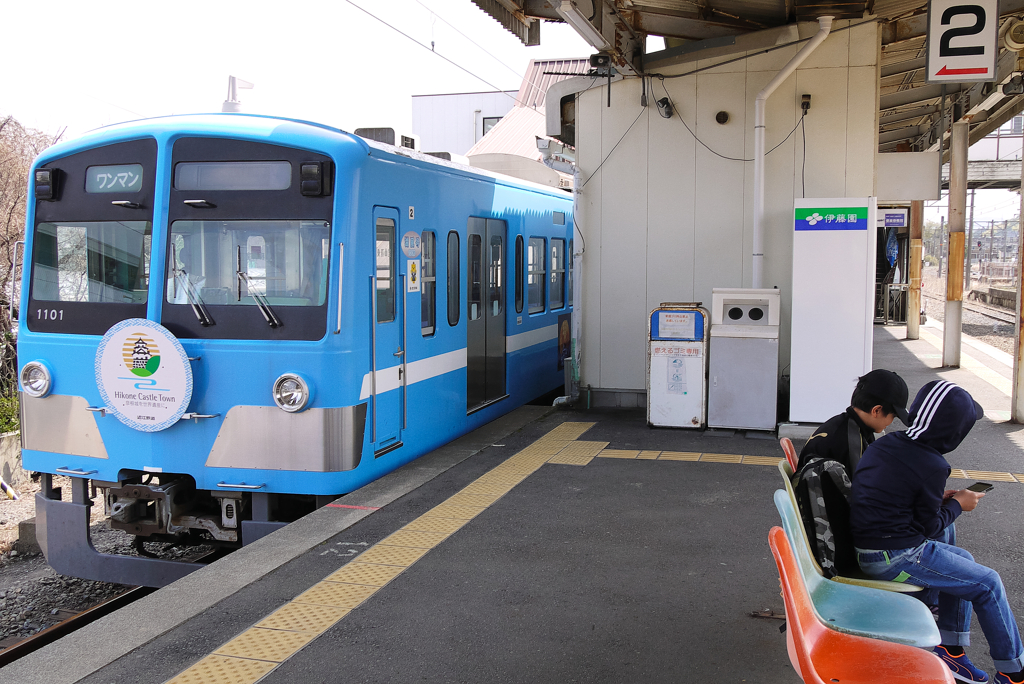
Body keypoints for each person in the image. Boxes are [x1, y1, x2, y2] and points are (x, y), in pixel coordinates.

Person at [851, 380, 1024, 684]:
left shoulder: (889, 443)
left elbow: (896, 495)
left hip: (873, 545)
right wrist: (959, 504)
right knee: (987, 583)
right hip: (895, 557)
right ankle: (1014, 674)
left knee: (964, 561)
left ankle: (951, 650)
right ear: (954, 432)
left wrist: (940, 499)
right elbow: (930, 527)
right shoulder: (932, 463)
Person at [797, 368, 911, 474]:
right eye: (894, 416)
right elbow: (860, 488)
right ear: (876, 410)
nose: (891, 422)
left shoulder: (844, 424)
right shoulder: (850, 441)